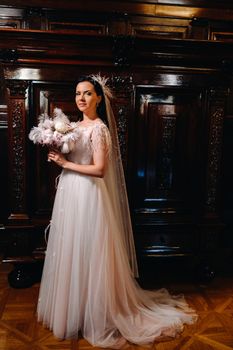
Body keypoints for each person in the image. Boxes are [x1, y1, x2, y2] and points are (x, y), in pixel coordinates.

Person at [37, 74, 197, 349]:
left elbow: (99, 170)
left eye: (87, 93)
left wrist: (65, 163)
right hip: (70, 194)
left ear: (98, 97)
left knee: (91, 250)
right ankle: (73, 312)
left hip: (89, 195)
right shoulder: (72, 126)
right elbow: (71, 155)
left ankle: (97, 314)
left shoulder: (99, 129)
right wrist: (56, 148)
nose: (81, 98)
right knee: (72, 248)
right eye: (78, 93)